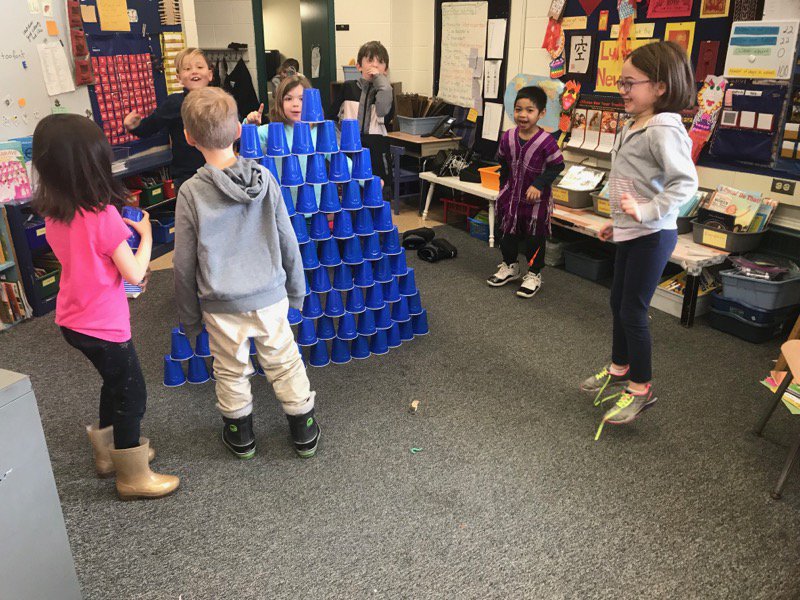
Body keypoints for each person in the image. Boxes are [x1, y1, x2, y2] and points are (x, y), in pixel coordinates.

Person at [33, 114, 179, 500]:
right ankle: (132, 473)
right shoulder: (102, 215)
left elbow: (87, 260)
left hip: (73, 319)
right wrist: (145, 234)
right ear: (92, 165)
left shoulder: (53, 210)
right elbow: (134, 269)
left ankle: (106, 453)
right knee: (133, 393)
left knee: (114, 383)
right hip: (105, 325)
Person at [174, 87, 320, 460]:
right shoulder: (266, 179)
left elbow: (183, 263)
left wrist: (190, 320)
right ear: (239, 130)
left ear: (189, 138)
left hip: (220, 304)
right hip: (270, 295)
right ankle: (303, 428)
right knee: (285, 361)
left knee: (230, 369)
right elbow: (288, 239)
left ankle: (241, 435)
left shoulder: (190, 192)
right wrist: (297, 291)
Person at [581, 41, 697, 439]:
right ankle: (620, 367)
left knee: (633, 310)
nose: (623, 90)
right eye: (621, 82)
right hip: (634, 231)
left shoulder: (664, 128)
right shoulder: (637, 123)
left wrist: (645, 214)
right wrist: (621, 221)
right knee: (617, 301)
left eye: (631, 83)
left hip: (654, 234)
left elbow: (686, 185)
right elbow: (639, 182)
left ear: (660, 86)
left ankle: (641, 388)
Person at [486, 86, 565, 298]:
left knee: (534, 238)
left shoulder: (546, 141)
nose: (523, 115)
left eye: (530, 110)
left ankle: (534, 273)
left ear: (541, 114)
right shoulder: (508, 136)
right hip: (510, 198)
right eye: (518, 109)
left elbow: (557, 166)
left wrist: (539, 184)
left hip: (536, 202)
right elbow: (502, 161)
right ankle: (510, 266)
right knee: (507, 234)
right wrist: (503, 187)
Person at [123, 48, 213, 190]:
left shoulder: (218, 100)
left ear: (210, 74)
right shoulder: (174, 103)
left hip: (217, 172)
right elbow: (150, 127)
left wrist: (250, 122)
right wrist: (134, 127)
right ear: (178, 78)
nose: (194, 71)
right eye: (187, 69)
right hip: (187, 177)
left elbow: (234, 127)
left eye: (199, 67)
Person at [333, 41, 395, 186]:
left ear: (385, 69)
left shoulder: (386, 91)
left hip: (377, 149)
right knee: (352, 189)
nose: (374, 65)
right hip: (350, 146)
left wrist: (382, 83)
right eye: (369, 60)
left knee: (377, 190)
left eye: (380, 62)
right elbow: (331, 117)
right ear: (359, 66)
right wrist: (339, 141)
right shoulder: (348, 87)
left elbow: (382, 111)